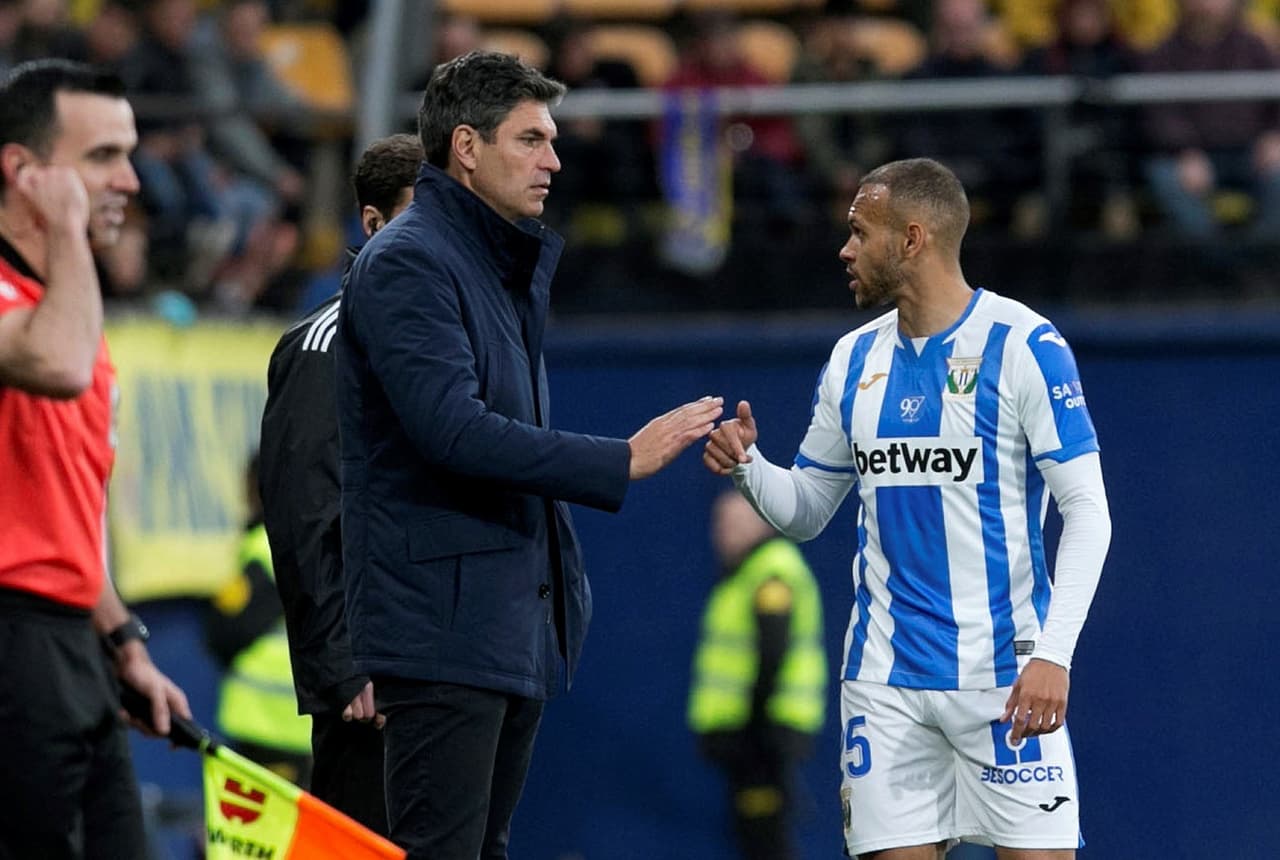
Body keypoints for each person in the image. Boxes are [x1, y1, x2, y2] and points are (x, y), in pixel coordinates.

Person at [334, 50, 724, 860]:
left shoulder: (490, 259)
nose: (553, 160)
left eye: (551, 140)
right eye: (530, 139)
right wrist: (621, 459)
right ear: (466, 147)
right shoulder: (410, 258)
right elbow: (454, 431)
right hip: (443, 630)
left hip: (505, 623)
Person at [703, 158, 1111, 859]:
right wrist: (749, 468)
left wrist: (1054, 656)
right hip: (884, 686)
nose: (846, 249)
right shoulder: (852, 360)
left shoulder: (1024, 347)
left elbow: (1089, 513)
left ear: (913, 239)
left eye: (860, 233)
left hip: (1003, 682)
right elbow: (805, 510)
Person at [0, 58, 191, 857]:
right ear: (23, 170)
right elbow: (58, 366)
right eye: (103, 157)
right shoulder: (46, 317)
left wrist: (125, 645)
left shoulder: (66, 308)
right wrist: (72, 235)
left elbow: (73, 517)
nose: (131, 181)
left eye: (129, 154)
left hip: (75, 646)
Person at [257, 132, 423, 836]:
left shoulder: (446, 347)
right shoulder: (328, 345)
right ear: (374, 224)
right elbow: (303, 513)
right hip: (374, 682)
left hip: (445, 667)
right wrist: (346, 660)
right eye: (420, 221)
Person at [687, 490, 827, 860]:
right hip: (752, 732)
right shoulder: (744, 574)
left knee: (767, 842)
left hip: (765, 732)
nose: (721, 532)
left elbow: (773, 651)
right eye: (718, 523)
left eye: (732, 522)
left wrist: (754, 726)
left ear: (761, 523)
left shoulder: (772, 571)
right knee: (753, 839)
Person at [206, 452, 312, 785]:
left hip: (265, 723)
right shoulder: (316, 540)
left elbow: (224, 630)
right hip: (302, 724)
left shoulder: (266, 547)